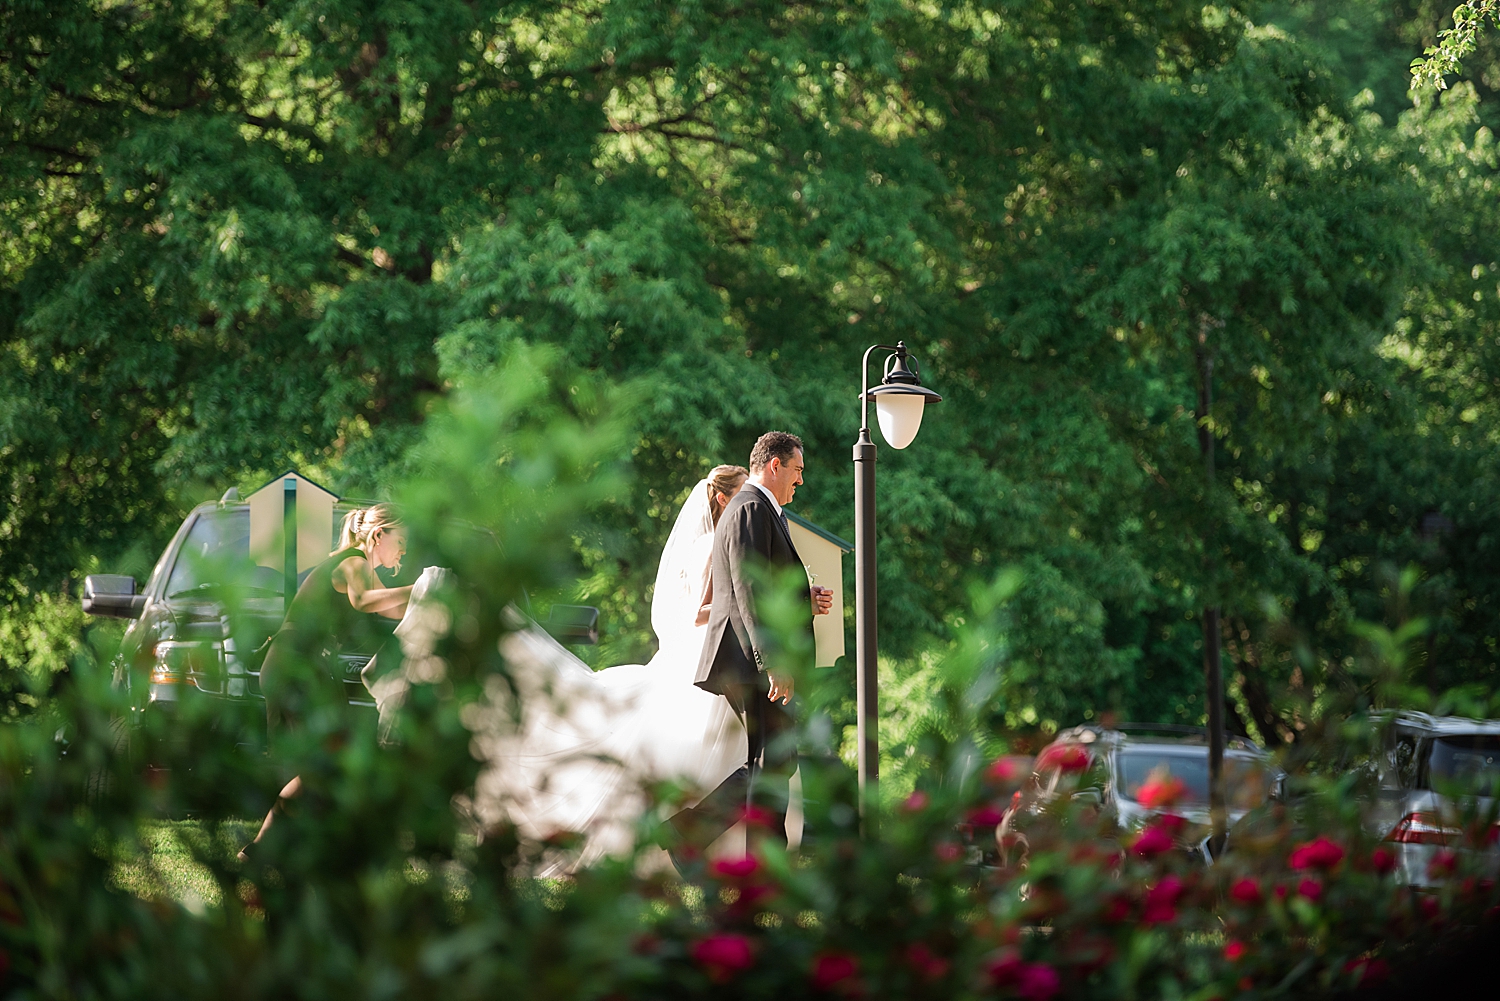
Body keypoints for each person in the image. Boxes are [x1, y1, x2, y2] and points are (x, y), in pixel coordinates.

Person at [456, 464, 757, 873]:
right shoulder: (709, 545)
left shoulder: (713, 540)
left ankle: (695, 845)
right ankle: (686, 845)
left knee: (718, 752)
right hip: (703, 658)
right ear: (722, 498)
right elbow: (700, 612)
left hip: (703, 656)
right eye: (740, 493)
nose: (745, 502)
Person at [672, 431, 833, 858]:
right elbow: (747, 589)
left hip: (757, 660)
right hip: (751, 662)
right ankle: (761, 868)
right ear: (774, 465)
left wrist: (805, 599)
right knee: (772, 762)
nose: (800, 481)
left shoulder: (765, 509)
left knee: (772, 761)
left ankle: (688, 836)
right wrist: (772, 662)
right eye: (797, 470)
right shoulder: (749, 507)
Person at [239, 504, 413, 861]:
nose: (404, 551)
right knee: (331, 762)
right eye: (402, 541)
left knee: (330, 764)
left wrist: (433, 596)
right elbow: (364, 601)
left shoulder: (359, 566)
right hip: (295, 666)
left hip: (306, 668)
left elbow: (390, 608)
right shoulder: (353, 562)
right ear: (379, 535)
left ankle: (269, 850)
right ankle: (272, 851)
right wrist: (421, 587)